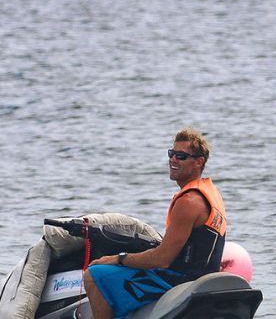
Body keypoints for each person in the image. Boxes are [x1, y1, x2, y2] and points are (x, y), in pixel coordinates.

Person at [82, 127, 227, 319]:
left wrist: (119, 258)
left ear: (199, 162)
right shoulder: (210, 192)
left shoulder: (189, 201)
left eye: (181, 156)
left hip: (177, 282)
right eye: (171, 154)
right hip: (199, 277)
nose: (173, 160)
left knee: (94, 274)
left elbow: (162, 259)